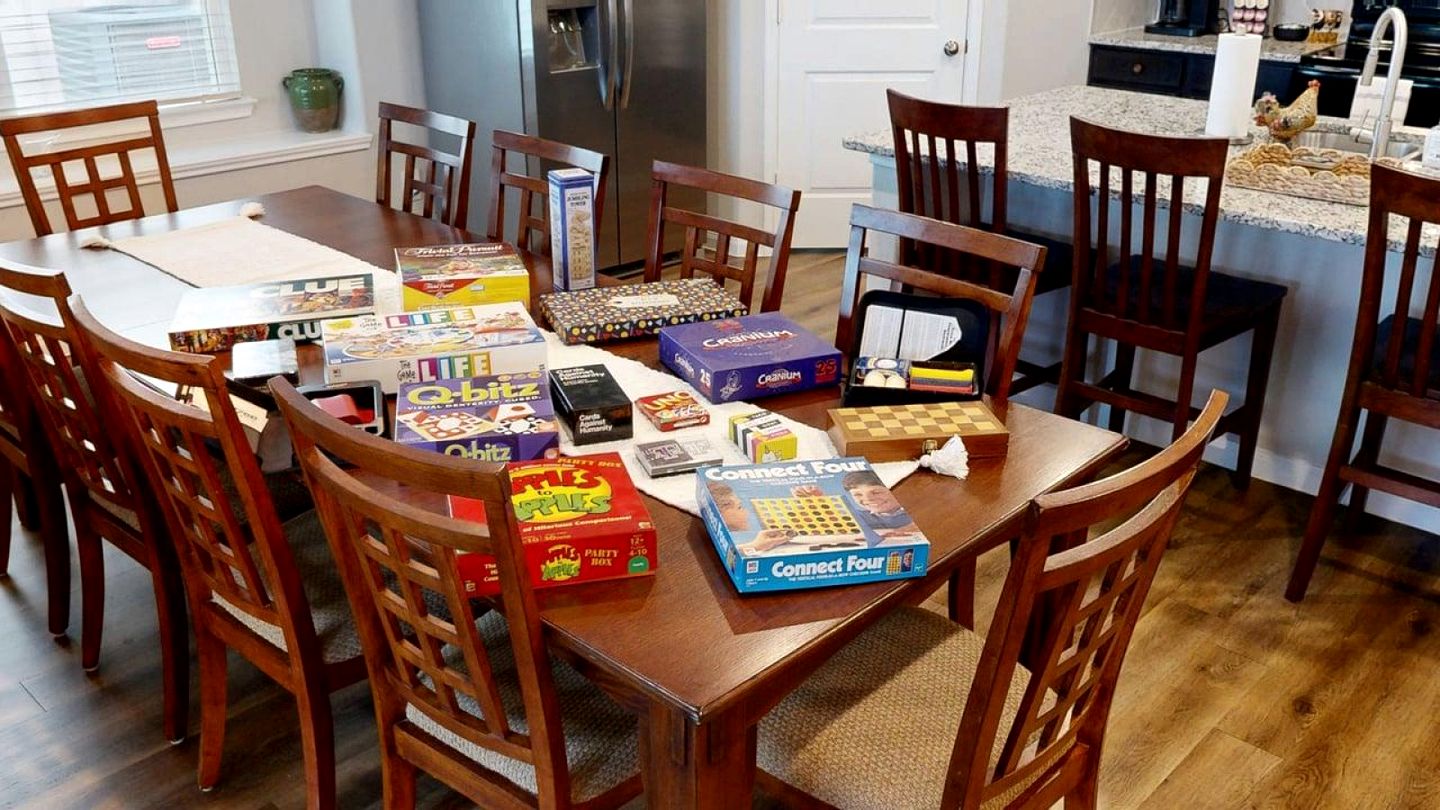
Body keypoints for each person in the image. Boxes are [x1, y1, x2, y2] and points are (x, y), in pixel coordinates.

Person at [840, 471, 923, 542]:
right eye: (857, 494)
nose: (868, 499)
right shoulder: (858, 516)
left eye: (876, 492)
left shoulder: (919, 510)